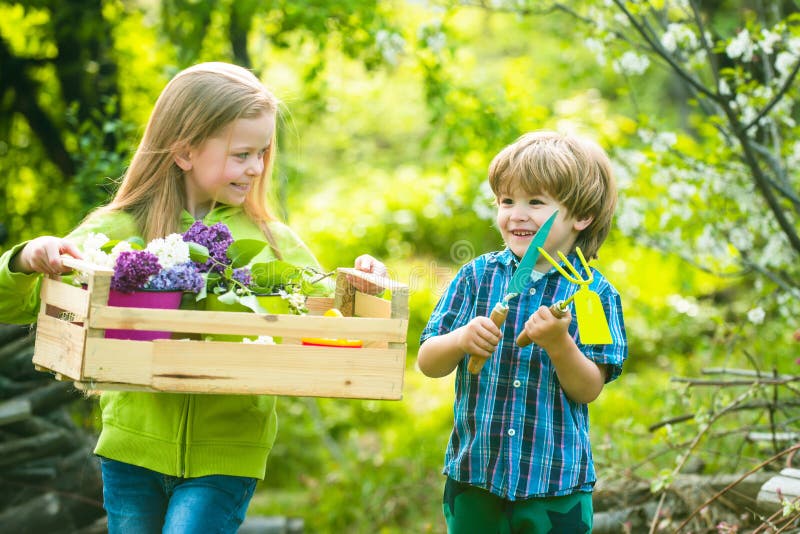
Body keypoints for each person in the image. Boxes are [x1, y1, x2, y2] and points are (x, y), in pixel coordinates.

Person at [0, 62, 386, 533]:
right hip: (131, 449)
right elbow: (20, 304)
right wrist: (26, 259)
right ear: (184, 151)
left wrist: (363, 285)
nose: (256, 168)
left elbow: (328, 312)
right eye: (242, 153)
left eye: (263, 153)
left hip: (227, 451)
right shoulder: (119, 231)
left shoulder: (270, 241)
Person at [418, 131, 627, 533]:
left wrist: (559, 344)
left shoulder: (591, 295)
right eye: (507, 201)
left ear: (580, 216)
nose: (516, 214)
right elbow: (428, 362)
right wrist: (460, 340)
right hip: (475, 478)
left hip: (555, 488)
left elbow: (588, 389)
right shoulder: (477, 277)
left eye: (535, 202)